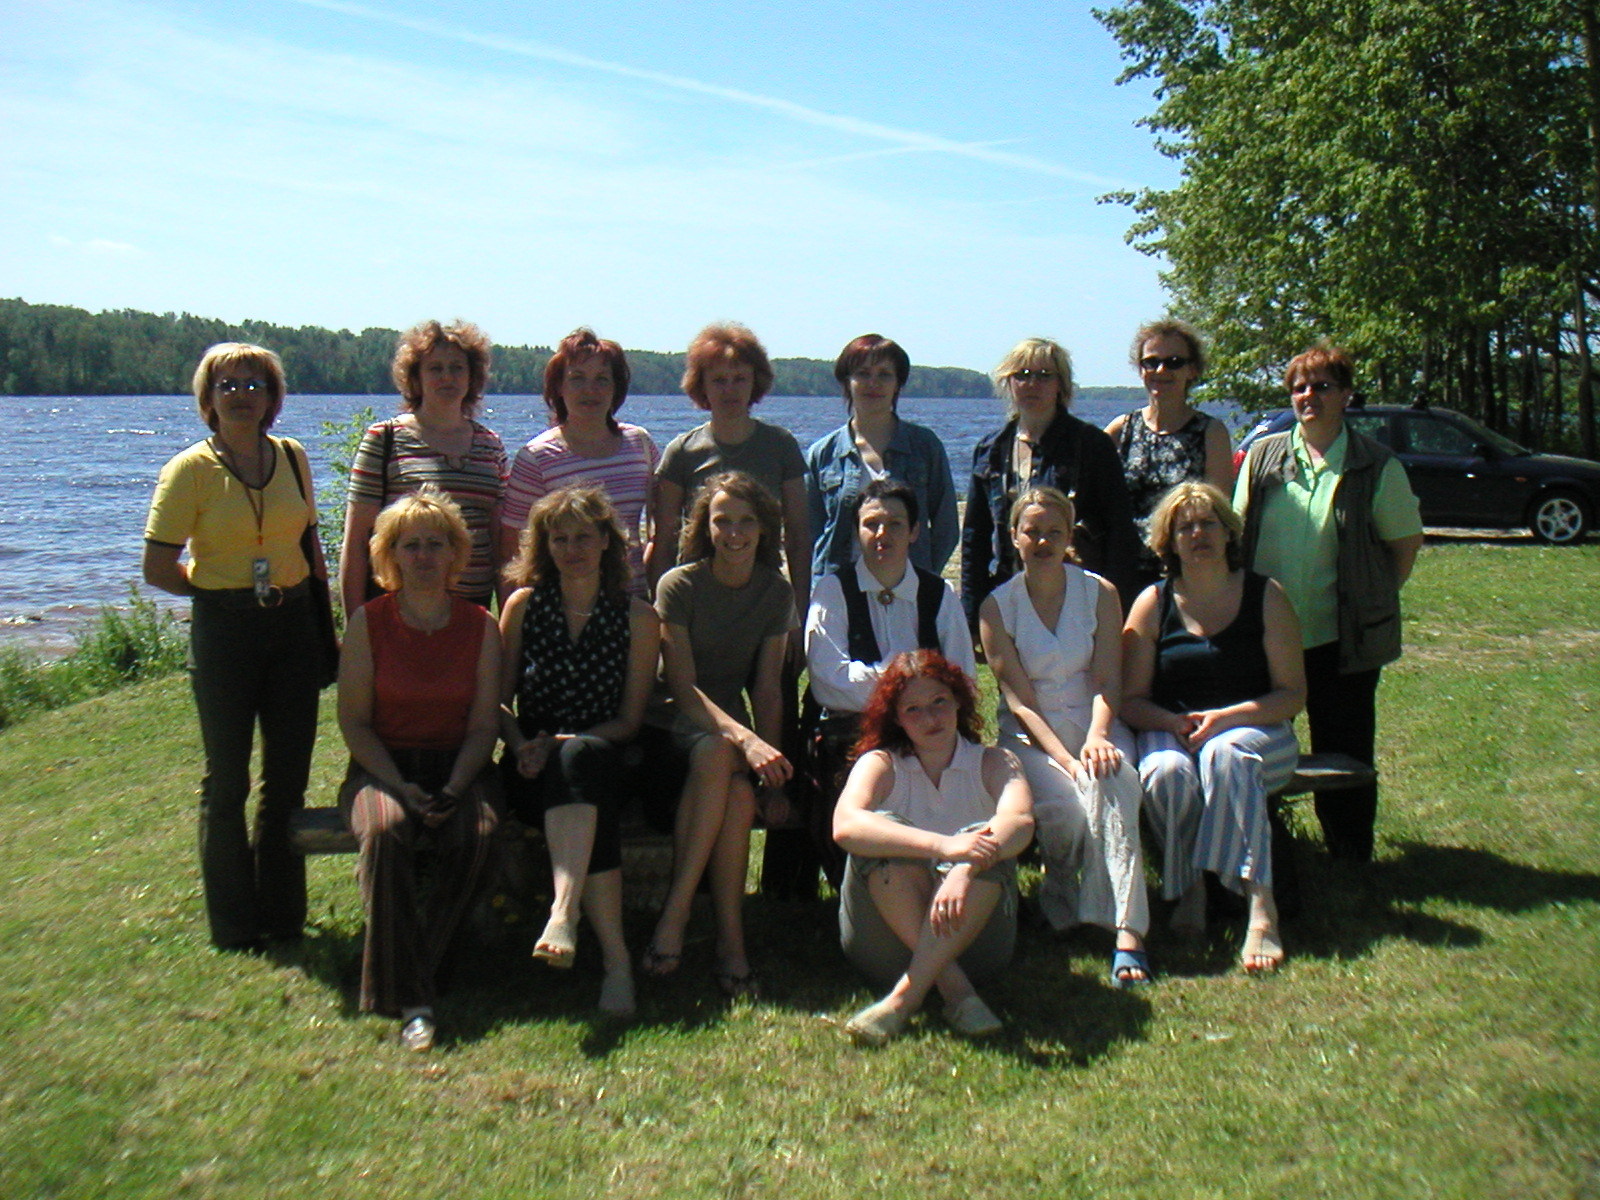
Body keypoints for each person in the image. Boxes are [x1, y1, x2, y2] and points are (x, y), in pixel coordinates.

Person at [144, 342, 327, 953]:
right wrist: (217, 592)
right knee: (227, 781)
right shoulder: (189, 470)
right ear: (208, 398)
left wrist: (322, 621)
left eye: (255, 384)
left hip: (293, 626)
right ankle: (234, 926)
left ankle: (283, 915)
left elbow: (310, 545)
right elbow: (157, 567)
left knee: (287, 779)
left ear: (273, 397)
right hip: (225, 631)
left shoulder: (293, 457)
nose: (242, 395)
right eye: (228, 385)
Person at [1234, 344, 1423, 862]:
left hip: (1340, 637)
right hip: (1266, 638)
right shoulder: (1263, 456)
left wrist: (1372, 597)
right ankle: (1266, 843)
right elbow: (1238, 530)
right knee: (1259, 743)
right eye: (1299, 387)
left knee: (1345, 747)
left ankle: (1349, 851)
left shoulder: (1375, 465)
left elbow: (1404, 544)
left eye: (1321, 386)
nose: (1308, 396)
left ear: (1346, 395)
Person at [336, 487, 501, 1051]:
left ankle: (413, 971)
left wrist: (454, 787)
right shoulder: (369, 623)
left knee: (479, 837)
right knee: (385, 833)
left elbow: (484, 726)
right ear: (391, 555)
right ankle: (415, 1000)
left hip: (461, 766)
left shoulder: (480, 625)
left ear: (455, 553)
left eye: (436, 544)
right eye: (411, 546)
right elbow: (355, 723)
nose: (425, 556)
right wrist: (399, 786)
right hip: (383, 766)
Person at [1121, 482, 1306, 973]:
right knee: (1164, 772)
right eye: (1185, 527)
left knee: (1228, 755)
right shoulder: (1152, 603)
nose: (1198, 534)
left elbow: (1292, 693)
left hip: (1257, 730)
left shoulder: (1266, 596)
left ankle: (1260, 906)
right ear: (1168, 542)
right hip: (1173, 727)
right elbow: (1131, 701)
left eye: (1208, 524)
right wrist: (1172, 722)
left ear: (1229, 533)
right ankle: (1192, 890)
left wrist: (1227, 718)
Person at [979, 486, 1152, 987]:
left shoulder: (1100, 593)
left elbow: (1108, 679)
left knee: (1113, 783)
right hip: (1030, 736)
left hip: (1097, 719)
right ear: (1014, 536)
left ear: (1069, 536)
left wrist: (1098, 736)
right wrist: (1068, 762)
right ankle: (1061, 893)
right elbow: (1020, 702)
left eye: (1054, 532)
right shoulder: (996, 608)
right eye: (1032, 531)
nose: (1043, 541)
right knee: (1067, 813)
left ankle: (1127, 932)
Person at [498, 486, 660, 1018]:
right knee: (589, 806)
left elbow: (629, 721)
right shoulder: (524, 606)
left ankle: (563, 914)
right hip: (531, 767)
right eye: (560, 539)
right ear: (544, 546)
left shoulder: (637, 617)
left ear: (607, 542)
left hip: (608, 755)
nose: (572, 549)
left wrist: (560, 743)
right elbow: (498, 702)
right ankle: (617, 964)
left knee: (583, 761)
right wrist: (522, 746)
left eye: (584, 537)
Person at [638, 472, 796, 997]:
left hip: (724, 742)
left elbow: (768, 691)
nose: (734, 533)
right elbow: (683, 689)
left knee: (735, 789)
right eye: (722, 521)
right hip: (667, 733)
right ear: (704, 527)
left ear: (763, 528)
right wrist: (746, 742)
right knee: (716, 756)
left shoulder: (775, 592)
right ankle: (692, 920)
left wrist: (772, 778)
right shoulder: (678, 585)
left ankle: (712, 934)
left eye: (746, 521)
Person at [833, 651, 1033, 1045]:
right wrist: (945, 847)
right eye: (913, 709)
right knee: (882, 833)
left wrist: (965, 866)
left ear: (958, 700)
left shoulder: (996, 762)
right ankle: (956, 990)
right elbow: (846, 825)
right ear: (896, 718)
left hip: (976, 944)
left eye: (939, 701)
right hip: (885, 948)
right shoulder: (880, 764)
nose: (930, 718)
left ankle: (903, 1001)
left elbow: (1020, 821)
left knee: (988, 840)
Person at [804, 477, 974, 886]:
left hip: (929, 732)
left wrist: (879, 684)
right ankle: (866, 882)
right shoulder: (832, 591)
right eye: (871, 524)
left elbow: (962, 680)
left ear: (914, 531)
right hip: (853, 734)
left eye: (895, 524)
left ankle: (945, 870)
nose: (883, 534)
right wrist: (914, 688)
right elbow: (828, 682)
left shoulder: (939, 594)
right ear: (856, 532)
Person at [963, 337, 1142, 623]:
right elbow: (975, 538)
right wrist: (972, 615)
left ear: (1061, 384)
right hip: (1009, 596)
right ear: (1008, 382)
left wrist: (1116, 609)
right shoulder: (991, 450)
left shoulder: (1091, 445)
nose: (1032, 383)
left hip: (1077, 600)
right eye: (1022, 375)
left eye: (1044, 375)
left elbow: (1120, 531)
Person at [341, 320, 507, 614]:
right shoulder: (384, 439)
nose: (447, 377)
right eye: (435, 368)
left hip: (473, 610)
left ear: (472, 377)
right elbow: (356, 541)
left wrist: (506, 618)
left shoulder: (490, 445)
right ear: (415, 378)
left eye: (457, 368)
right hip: (401, 609)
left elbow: (499, 543)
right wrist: (355, 622)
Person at [650, 323, 809, 616]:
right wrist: (663, 616)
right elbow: (664, 543)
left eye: (740, 379)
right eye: (719, 380)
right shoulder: (682, 452)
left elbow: (798, 538)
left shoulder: (781, 446)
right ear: (702, 385)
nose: (730, 389)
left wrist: (798, 613)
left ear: (754, 382)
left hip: (764, 601)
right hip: (696, 602)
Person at [498, 328, 658, 600]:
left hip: (632, 604)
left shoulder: (640, 444)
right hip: (562, 608)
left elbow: (659, 530)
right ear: (559, 387)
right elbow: (512, 551)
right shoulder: (537, 457)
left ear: (616, 387)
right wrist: (512, 617)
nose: (590, 390)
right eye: (577, 378)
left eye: (601, 379)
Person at [805, 334, 957, 585]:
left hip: (908, 590)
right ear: (847, 381)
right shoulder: (823, 453)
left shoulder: (925, 447)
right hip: (838, 590)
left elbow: (946, 527)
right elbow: (809, 533)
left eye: (884, 374)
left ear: (898, 384)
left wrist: (922, 579)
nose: (873, 383)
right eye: (863, 374)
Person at [1105, 319, 1234, 586]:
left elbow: (1219, 514)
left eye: (1174, 362)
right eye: (1151, 362)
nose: (1161, 370)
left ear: (1192, 370)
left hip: (1185, 575)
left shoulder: (1210, 433)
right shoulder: (1121, 429)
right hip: (1124, 572)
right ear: (1140, 369)